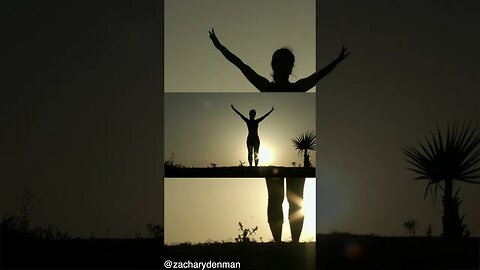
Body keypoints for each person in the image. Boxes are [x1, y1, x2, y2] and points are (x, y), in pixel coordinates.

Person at [209, 28, 349, 92]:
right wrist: (220, 47)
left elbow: (320, 74)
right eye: (281, 61)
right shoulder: (269, 87)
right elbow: (240, 64)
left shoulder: (295, 87)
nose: (283, 65)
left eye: (285, 61)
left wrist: (337, 61)